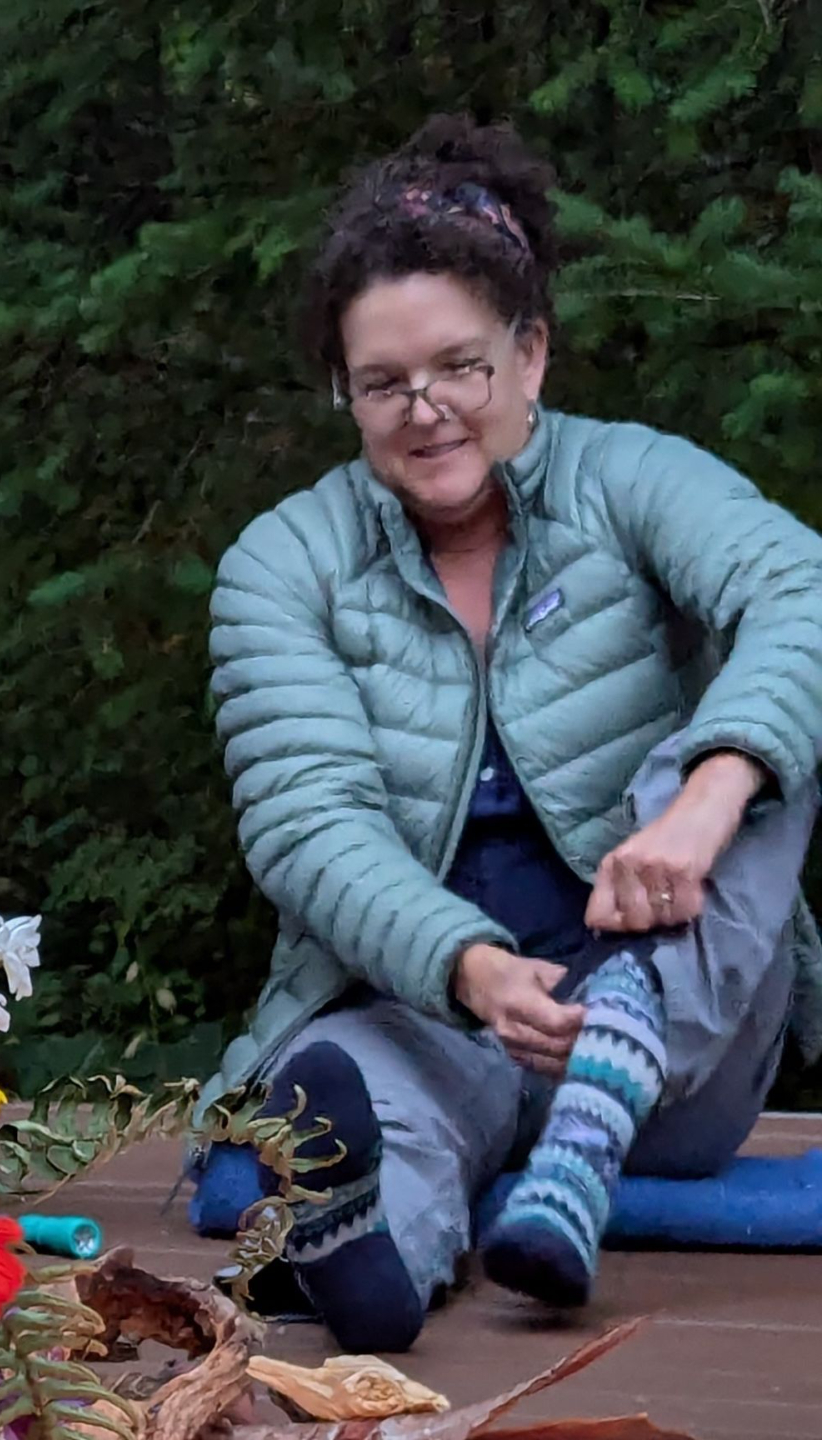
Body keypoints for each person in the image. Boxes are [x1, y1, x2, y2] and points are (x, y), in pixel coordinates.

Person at [200, 116, 822, 1352]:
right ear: (346, 391)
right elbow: (307, 825)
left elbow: (800, 590)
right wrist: (471, 974)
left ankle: (602, 1101)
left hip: (673, 1048)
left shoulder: (630, 479)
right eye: (383, 383)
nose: (425, 410)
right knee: (363, 1099)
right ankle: (363, 1260)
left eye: (461, 367)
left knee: (762, 736)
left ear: (529, 356)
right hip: (441, 1015)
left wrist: (707, 797)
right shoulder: (282, 562)